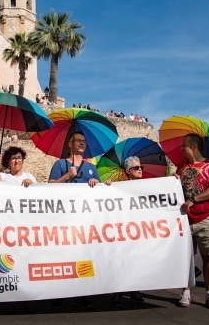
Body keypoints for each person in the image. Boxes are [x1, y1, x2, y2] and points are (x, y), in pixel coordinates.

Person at [48, 131, 102, 310]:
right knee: (64, 257)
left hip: (84, 220)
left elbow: (101, 192)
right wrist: (66, 177)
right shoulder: (60, 164)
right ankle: (60, 294)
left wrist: (97, 184)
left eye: (84, 141)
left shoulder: (91, 168)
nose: (82, 143)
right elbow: (49, 187)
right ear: (70, 144)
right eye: (78, 140)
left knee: (83, 257)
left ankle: (82, 293)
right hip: (64, 219)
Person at [177, 133, 209, 309]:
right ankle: (185, 291)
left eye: (184, 145)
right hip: (184, 220)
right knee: (185, 258)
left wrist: (193, 200)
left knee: (208, 257)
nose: (182, 149)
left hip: (205, 219)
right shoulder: (182, 168)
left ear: (193, 147)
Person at [0, 146, 36, 313]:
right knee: (9, 264)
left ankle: (27, 299)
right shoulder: (3, 176)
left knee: (25, 263)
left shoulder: (30, 177)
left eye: (19, 158)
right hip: (7, 228)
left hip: (25, 228)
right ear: (8, 161)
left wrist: (32, 185)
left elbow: (39, 196)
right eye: (13, 158)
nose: (17, 161)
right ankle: (10, 299)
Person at [110, 156, 145, 307]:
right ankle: (117, 292)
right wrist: (108, 187)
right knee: (122, 261)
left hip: (140, 229)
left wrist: (173, 181)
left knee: (136, 261)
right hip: (124, 229)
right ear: (128, 171)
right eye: (136, 168)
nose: (140, 170)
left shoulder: (149, 186)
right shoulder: (119, 187)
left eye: (141, 167)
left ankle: (134, 290)